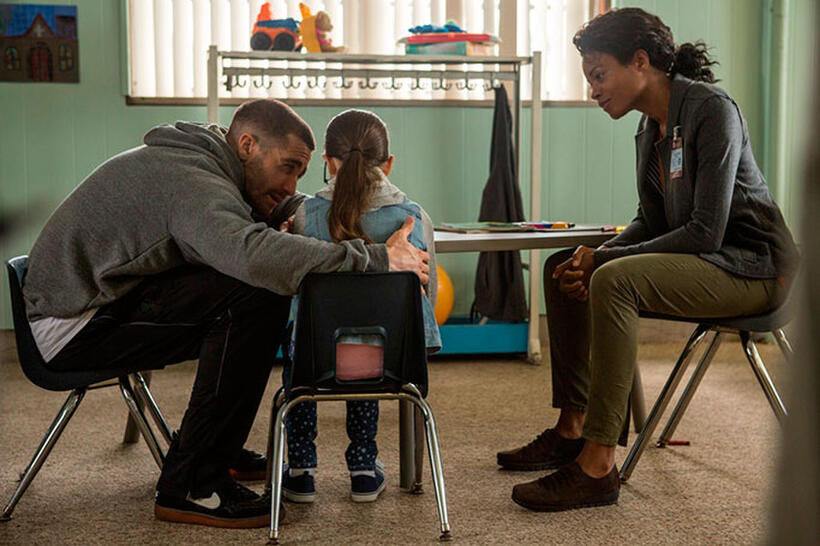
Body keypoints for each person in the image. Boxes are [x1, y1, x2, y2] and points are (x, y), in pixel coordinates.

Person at [21, 99, 429, 528]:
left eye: (300, 174)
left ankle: (217, 449)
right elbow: (251, 255)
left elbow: (249, 226)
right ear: (248, 145)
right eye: (288, 167)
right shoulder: (193, 180)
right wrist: (375, 258)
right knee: (254, 295)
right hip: (73, 327)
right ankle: (195, 482)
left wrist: (305, 214)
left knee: (251, 287)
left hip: (94, 302)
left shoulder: (206, 161)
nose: (291, 185)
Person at [496, 8, 799, 512]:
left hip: (755, 268)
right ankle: (572, 429)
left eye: (598, 75)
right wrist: (595, 255)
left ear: (640, 62)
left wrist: (608, 263)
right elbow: (651, 221)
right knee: (563, 264)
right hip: (710, 263)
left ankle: (597, 465)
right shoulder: (649, 130)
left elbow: (706, 231)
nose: (593, 89)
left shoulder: (710, 108)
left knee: (613, 278)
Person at [279, 109, 441, 504]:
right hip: (392, 363)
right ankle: (364, 468)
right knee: (366, 339)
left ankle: (301, 468)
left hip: (314, 361)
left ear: (327, 163)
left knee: (310, 338)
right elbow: (427, 295)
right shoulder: (414, 217)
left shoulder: (302, 215)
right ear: (388, 164)